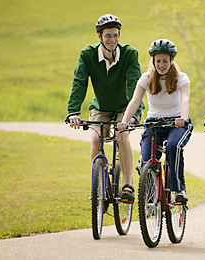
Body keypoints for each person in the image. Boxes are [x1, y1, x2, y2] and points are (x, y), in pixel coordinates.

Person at [66, 14, 144, 203]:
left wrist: (134, 114)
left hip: (125, 107)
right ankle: (98, 186)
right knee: (95, 139)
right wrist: (73, 112)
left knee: (122, 135)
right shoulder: (88, 55)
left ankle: (127, 185)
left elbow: (136, 84)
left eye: (116, 35)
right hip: (101, 107)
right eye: (108, 36)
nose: (113, 40)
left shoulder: (129, 54)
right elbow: (79, 82)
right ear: (100, 37)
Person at [118, 39, 192, 203]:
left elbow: (185, 99)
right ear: (153, 61)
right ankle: (151, 198)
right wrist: (124, 121)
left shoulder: (181, 78)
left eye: (165, 61)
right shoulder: (146, 78)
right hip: (154, 123)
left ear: (172, 60)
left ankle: (178, 189)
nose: (161, 65)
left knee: (174, 146)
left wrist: (183, 118)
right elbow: (135, 101)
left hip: (176, 123)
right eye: (158, 61)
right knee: (146, 160)